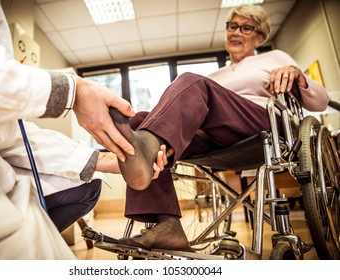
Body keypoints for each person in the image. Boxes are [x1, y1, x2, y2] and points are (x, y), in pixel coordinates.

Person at [0, 0, 168, 259]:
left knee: (90, 186)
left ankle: (140, 152)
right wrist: (74, 91)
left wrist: (102, 159)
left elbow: (5, 129)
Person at [110, 4, 330, 251]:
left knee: (190, 82)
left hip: (261, 126)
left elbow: (320, 101)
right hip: (217, 138)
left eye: (246, 28)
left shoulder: (275, 58)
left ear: (260, 36)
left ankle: (148, 147)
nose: (236, 32)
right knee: (140, 121)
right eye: (232, 26)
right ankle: (167, 225)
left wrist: (296, 74)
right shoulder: (216, 76)